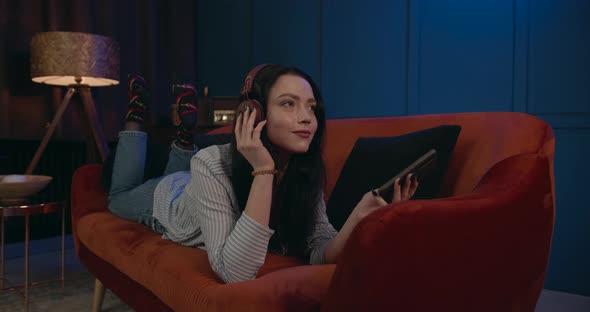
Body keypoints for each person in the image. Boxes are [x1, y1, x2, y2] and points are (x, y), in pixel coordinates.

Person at [106, 65, 419, 284]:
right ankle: (135, 116)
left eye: (311, 107)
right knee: (117, 198)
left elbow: (319, 248)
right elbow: (235, 271)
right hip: (171, 198)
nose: (306, 118)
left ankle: (183, 139)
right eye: (288, 104)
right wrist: (264, 169)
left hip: (199, 184)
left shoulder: (303, 167)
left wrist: (358, 220)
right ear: (253, 114)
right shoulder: (211, 163)